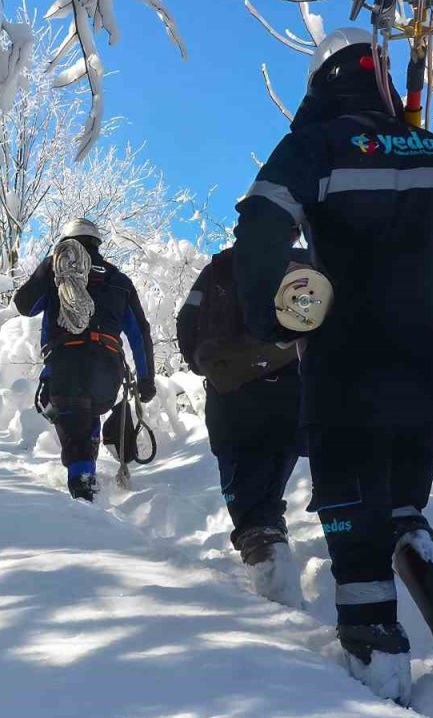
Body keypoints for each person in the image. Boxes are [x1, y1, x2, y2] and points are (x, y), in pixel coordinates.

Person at [229, 28, 433, 707]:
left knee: (353, 522)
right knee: (404, 508)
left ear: (322, 85)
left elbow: (259, 225)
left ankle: (379, 667)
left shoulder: (315, 147)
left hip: (347, 374)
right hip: (432, 374)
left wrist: (272, 316)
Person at [176, 246, 308, 606]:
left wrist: (205, 363)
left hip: (232, 397)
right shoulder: (306, 264)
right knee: (268, 494)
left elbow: (187, 323)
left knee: (250, 510)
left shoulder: (221, 267)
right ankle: (280, 573)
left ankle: (281, 605)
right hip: (294, 395)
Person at [14, 218, 156, 501]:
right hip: (107, 368)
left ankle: (83, 491)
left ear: (65, 242)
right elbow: (139, 333)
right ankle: (87, 476)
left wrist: (47, 268)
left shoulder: (56, 272)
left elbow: (24, 305)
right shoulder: (119, 281)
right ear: (97, 242)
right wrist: (145, 379)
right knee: (87, 416)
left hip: (66, 363)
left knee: (73, 422)